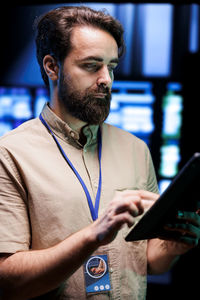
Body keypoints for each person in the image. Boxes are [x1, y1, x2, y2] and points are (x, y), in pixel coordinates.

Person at [0, 6, 199, 300]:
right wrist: (94, 235)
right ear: (52, 67)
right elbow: (8, 281)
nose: (107, 79)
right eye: (92, 66)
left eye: (112, 66)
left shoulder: (135, 150)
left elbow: (146, 261)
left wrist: (175, 243)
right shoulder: (10, 154)